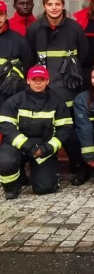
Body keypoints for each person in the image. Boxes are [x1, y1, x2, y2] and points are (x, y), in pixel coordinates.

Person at [26, 0, 89, 185]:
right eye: (50, 4)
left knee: (69, 132)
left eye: (58, 4)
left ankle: (78, 167)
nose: (54, 8)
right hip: (43, 91)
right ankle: (45, 166)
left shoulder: (74, 29)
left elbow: (84, 56)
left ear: (63, 6)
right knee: (43, 130)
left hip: (69, 91)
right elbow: (29, 60)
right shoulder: (35, 29)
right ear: (44, 6)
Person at [0, 66, 73, 199]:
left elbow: (65, 130)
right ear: (28, 81)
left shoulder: (57, 102)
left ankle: (49, 177)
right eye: (34, 79)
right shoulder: (14, 101)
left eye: (42, 79)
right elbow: (7, 128)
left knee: (44, 188)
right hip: (17, 144)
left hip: (42, 148)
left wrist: (47, 148)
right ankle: (12, 186)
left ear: (47, 81)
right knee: (5, 161)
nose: (38, 83)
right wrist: (28, 146)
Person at [0, 0, 30, 109]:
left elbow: (28, 66)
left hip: (10, 99)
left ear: (6, 15)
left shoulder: (19, 41)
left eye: (1, 14)